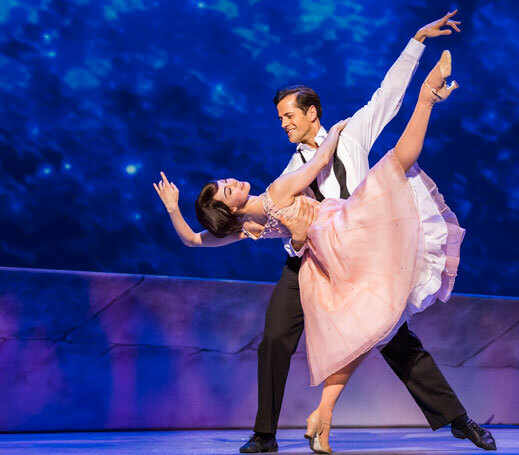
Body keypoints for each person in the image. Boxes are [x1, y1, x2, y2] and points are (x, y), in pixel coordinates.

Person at [155, 11, 496, 454]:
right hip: (307, 264)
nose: (283, 123)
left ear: (310, 112)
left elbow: (387, 95)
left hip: (360, 255)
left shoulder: (351, 135)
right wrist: (177, 212)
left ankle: (457, 419)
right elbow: (227, 229)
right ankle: (265, 434)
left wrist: (416, 40)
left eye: (288, 115)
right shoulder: (288, 174)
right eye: (279, 118)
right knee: (274, 338)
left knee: (395, 338)